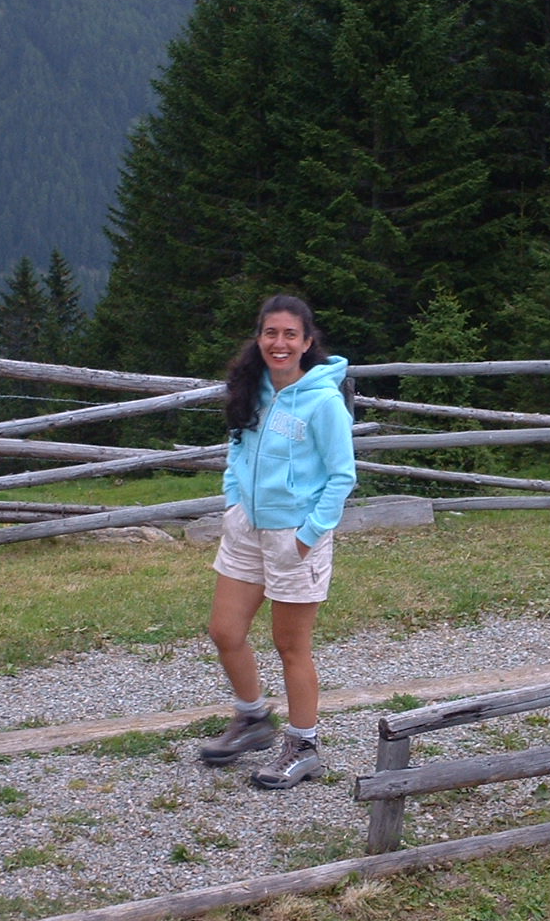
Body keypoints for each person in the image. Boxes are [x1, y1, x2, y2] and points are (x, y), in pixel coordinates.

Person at [199, 294, 357, 788]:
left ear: (307, 342)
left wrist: (309, 535)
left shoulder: (323, 401)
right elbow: (237, 450)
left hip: (295, 536)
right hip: (247, 528)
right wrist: (233, 504)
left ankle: (304, 746)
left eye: (290, 334)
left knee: (291, 646)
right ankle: (253, 719)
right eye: (271, 333)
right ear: (260, 337)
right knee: (225, 631)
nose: (279, 343)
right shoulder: (253, 388)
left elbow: (342, 475)